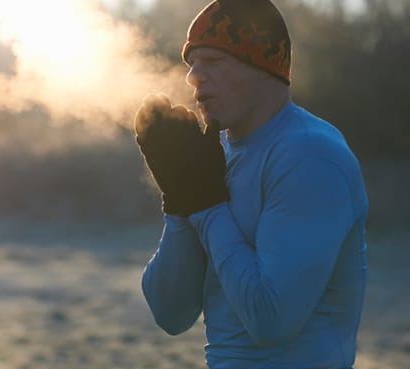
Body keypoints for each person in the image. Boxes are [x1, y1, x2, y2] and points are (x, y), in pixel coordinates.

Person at [134, 0, 369, 368]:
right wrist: (179, 200)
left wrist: (208, 206)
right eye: (192, 63)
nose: (193, 76)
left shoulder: (309, 155)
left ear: (261, 65)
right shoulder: (217, 155)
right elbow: (171, 314)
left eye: (212, 61)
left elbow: (271, 320)